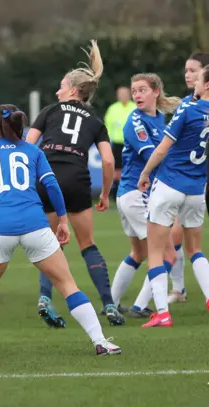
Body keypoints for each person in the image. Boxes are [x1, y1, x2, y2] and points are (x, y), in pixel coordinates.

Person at [0, 104, 121, 358]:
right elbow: (53, 186)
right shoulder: (33, 152)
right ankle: (100, 341)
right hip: (35, 225)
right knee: (67, 284)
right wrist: (62, 221)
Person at [25, 40, 124, 327]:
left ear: (72, 90)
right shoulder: (95, 119)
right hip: (78, 180)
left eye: (61, 86)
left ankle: (45, 298)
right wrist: (105, 194)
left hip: (48, 178)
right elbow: (108, 161)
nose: (57, 91)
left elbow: (28, 148)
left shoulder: (50, 111)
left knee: (50, 244)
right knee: (87, 244)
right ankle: (109, 305)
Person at [137, 65, 209, 327]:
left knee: (155, 253)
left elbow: (161, 150)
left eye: (198, 78)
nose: (194, 82)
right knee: (196, 250)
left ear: (207, 84)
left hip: (169, 185)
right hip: (197, 189)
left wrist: (145, 173)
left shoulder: (188, 109)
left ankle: (162, 313)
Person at [110, 73, 180, 317]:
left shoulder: (161, 118)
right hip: (136, 194)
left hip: (132, 195)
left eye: (142, 90)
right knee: (169, 254)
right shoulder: (136, 122)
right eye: (134, 90)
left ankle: (111, 303)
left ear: (155, 92)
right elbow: (154, 156)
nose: (137, 95)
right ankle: (140, 305)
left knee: (139, 253)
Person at [167, 52, 209, 304]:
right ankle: (178, 288)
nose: (188, 75)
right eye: (186, 70)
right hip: (190, 181)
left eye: (193, 70)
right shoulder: (187, 103)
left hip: (195, 181)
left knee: (181, 238)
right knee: (177, 235)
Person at [104, 86, 136, 201]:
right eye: (120, 94)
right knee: (116, 169)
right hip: (117, 143)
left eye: (125, 93)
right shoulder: (113, 108)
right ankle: (115, 192)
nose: (123, 96)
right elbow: (107, 126)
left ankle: (131, 191)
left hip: (132, 144)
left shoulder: (135, 107)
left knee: (131, 167)